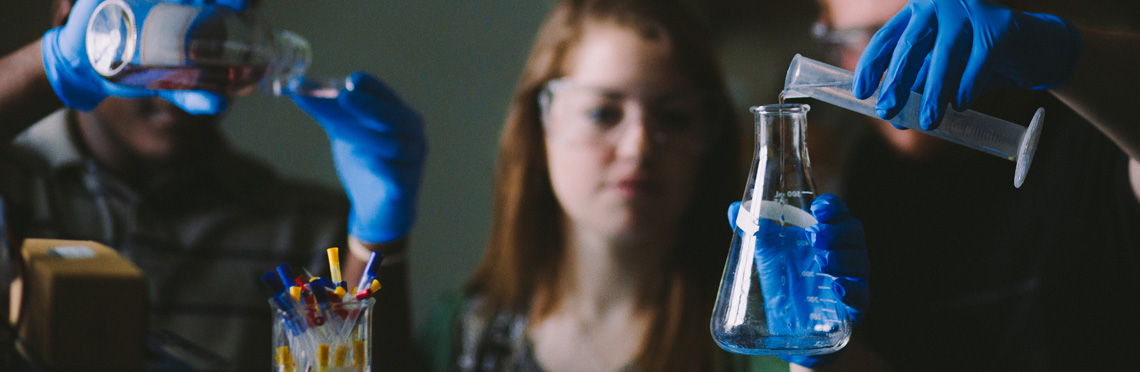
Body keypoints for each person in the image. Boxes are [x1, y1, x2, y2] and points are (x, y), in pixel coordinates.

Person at [417, 1, 869, 371]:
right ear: (541, 125)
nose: (638, 148)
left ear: (708, 138)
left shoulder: (759, 344)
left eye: (673, 117)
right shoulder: (462, 337)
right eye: (602, 113)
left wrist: (819, 366)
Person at [0, 0, 422, 370]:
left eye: (208, 40)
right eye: (165, 33)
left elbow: (346, 364)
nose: (186, 73)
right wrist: (48, 67)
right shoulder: (15, 181)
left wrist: (375, 243)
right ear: (75, 16)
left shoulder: (307, 231)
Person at [810, 0, 1140, 369]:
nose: (903, 63)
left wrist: (1068, 57)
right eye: (864, 38)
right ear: (829, 37)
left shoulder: (1092, 132)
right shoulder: (871, 174)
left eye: (926, 32)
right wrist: (826, 355)